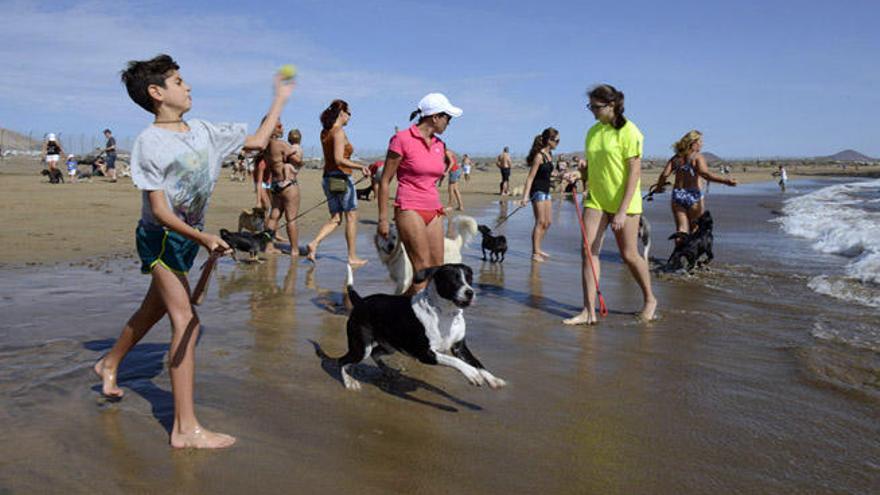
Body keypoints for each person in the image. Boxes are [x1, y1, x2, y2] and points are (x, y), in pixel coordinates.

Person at [92, 54, 294, 449]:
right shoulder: (149, 143)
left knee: (154, 311)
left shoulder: (203, 130)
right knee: (187, 322)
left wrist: (279, 100)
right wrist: (202, 238)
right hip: (161, 238)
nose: (188, 87)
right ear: (157, 93)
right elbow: (159, 211)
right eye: (179, 81)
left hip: (187, 238)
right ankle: (185, 429)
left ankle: (109, 362)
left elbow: (255, 140)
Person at [564, 84, 657, 325]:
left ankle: (649, 299)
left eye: (596, 107)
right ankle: (588, 311)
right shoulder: (593, 132)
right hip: (596, 198)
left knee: (629, 254)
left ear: (612, 105)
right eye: (590, 106)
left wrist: (623, 211)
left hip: (623, 201)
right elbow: (594, 169)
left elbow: (634, 173)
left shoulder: (629, 131)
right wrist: (579, 175)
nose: (592, 111)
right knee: (588, 252)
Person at [378, 92, 462, 294]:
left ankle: (404, 311)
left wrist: (448, 157)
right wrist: (382, 219)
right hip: (409, 208)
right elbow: (385, 181)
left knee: (437, 270)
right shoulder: (401, 139)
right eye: (447, 118)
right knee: (422, 270)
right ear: (435, 117)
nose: (449, 123)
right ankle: (404, 318)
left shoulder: (440, 144)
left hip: (433, 209)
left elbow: (435, 165)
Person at [305, 100, 371, 265]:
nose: (350, 117)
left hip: (327, 178)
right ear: (342, 113)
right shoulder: (338, 132)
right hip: (341, 177)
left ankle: (314, 243)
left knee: (336, 218)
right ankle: (352, 256)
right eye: (349, 113)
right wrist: (361, 166)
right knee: (351, 216)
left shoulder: (325, 132)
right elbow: (339, 159)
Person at [651, 130, 737, 238]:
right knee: (695, 228)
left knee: (681, 229)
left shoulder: (676, 158)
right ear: (693, 142)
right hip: (694, 195)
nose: (702, 144)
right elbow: (705, 174)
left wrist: (659, 187)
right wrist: (726, 181)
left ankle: (679, 253)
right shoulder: (697, 157)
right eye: (700, 141)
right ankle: (692, 253)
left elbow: (664, 175)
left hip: (678, 194)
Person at [264, 121, 302, 255]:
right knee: (291, 218)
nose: (282, 128)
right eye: (279, 126)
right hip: (288, 185)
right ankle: (294, 249)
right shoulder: (281, 144)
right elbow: (298, 161)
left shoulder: (265, 146)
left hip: (275, 184)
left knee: (274, 216)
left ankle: (269, 247)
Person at [520, 128, 558, 262]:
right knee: (540, 221)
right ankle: (535, 252)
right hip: (537, 191)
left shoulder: (550, 155)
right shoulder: (539, 156)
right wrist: (524, 197)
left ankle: (539, 248)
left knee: (548, 222)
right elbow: (530, 178)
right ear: (549, 140)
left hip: (547, 190)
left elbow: (547, 174)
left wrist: (557, 176)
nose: (558, 143)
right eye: (556, 140)